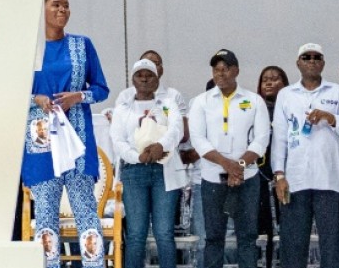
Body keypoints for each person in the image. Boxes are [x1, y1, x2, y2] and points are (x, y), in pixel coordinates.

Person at [21, 0, 108, 268]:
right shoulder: (28, 47)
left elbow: (101, 89)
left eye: (66, 5)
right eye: (56, 5)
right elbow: (11, 90)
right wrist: (35, 98)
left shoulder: (82, 45)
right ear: (42, 10)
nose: (62, 10)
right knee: (46, 215)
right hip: (41, 140)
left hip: (77, 140)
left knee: (86, 212)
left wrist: (78, 96)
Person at [271, 43, 339, 268]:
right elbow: (279, 138)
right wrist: (279, 175)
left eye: (316, 57)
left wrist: (331, 117)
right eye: (306, 57)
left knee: (333, 247)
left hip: (330, 181)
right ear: (298, 63)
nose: (311, 61)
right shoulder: (286, 94)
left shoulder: (337, 92)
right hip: (295, 181)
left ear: (323, 63)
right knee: (293, 247)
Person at [189, 49, 270, 268]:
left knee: (247, 236)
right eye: (216, 69)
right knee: (214, 237)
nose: (220, 74)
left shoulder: (254, 101)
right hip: (213, 179)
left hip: (247, 179)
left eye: (225, 69)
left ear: (236, 71)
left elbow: (261, 139)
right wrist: (227, 165)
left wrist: (240, 166)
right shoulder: (201, 102)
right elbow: (198, 139)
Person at [111, 59, 185, 268]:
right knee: (136, 234)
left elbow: (176, 128)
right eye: (139, 75)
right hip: (134, 171)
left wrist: (161, 145)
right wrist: (138, 157)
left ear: (157, 79)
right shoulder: (123, 108)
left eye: (149, 75)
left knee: (164, 233)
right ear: (133, 80)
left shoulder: (168, 103)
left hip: (164, 170)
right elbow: (117, 141)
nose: (144, 79)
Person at [255, 65, 288, 268]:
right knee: (263, 228)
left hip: (286, 177)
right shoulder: (254, 109)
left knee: (287, 227)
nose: (269, 82)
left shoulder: (290, 109)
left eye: (275, 79)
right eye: (265, 79)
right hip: (260, 176)